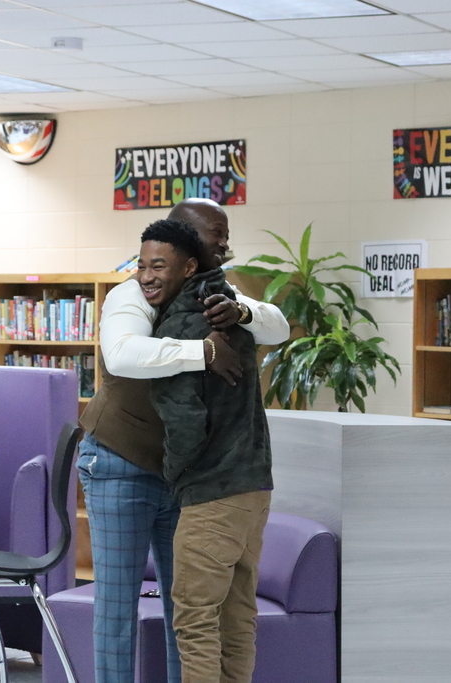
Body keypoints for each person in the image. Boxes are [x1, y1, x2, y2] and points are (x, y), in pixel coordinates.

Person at [77, 198, 288, 683]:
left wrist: (241, 311)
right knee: (117, 599)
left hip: (181, 474)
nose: (226, 242)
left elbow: (276, 325)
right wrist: (202, 351)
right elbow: (125, 354)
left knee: (186, 604)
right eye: (216, 232)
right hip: (119, 460)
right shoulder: (129, 296)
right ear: (183, 240)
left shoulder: (214, 292)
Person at [142, 219, 272, 683]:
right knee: (237, 618)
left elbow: (183, 421)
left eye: (159, 265)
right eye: (141, 266)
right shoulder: (230, 306)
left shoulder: (181, 326)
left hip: (210, 494)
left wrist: (174, 477)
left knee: (195, 623)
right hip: (253, 488)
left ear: (188, 265)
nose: (146, 277)